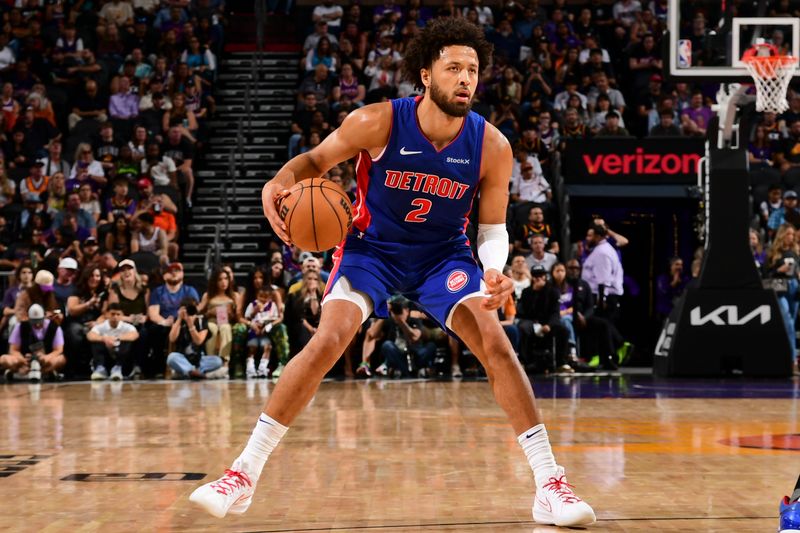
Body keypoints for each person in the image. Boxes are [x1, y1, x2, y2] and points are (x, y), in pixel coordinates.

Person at [191, 19, 595, 527]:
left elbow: (492, 227)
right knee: (328, 340)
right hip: (371, 249)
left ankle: (548, 484)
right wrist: (279, 180)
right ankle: (243, 475)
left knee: (497, 343)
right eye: (453, 68)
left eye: (472, 69)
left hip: (442, 257)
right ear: (425, 75)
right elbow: (315, 159)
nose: (465, 78)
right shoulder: (377, 122)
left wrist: (493, 271)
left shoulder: (492, 146)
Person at [0, 303, 65, 381]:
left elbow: (58, 350)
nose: (37, 324)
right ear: (28, 318)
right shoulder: (20, 326)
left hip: (45, 360)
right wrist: (22, 360)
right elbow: (13, 349)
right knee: (3, 359)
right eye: (34, 322)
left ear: (44, 317)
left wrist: (46, 358)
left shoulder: (54, 327)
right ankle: (30, 371)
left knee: (61, 359)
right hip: (25, 360)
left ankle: (40, 372)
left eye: (39, 321)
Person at [166, 296, 221, 379]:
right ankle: (192, 371)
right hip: (182, 357)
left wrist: (190, 324)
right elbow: (172, 339)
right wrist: (179, 319)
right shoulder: (178, 320)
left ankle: (188, 372)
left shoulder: (201, 320)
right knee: (171, 358)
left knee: (217, 361)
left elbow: (198, 341)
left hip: (200, 359)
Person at [87, 303, 139, 381]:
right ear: (107, 314)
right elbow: (90, 335)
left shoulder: (127, 327)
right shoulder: (102, 326)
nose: (115, 317)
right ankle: (100, 368)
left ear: (122, 315)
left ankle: (118, 368)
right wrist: (104, 339)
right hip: (106, 355)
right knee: (96, 341)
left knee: (127, 341)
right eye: (113, 314)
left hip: (122, 356)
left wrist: (116, 339)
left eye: (118, 314)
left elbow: (134, 335)